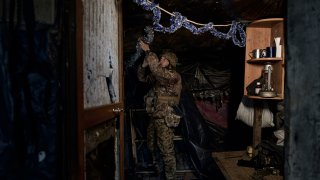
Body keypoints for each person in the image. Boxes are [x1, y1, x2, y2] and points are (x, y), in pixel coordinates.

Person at [137, 40, 182, 180]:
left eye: (164, 59)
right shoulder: (159, 78)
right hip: (155, 117)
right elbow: (142, 78)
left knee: (166, 151)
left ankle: (171, 177)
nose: (161, 60)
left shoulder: (172, 76)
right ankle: (159, 173)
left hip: (165, 118)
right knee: (152, 146)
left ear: (170, 62)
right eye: (160, 58)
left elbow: (156, 70)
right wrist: (143, 66)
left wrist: (148, 52)